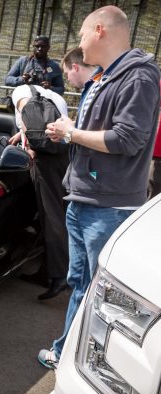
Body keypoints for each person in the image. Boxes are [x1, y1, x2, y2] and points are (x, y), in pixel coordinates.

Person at [39, 6, 161, 370]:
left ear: (99, 30)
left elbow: (128, 139)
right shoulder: (108, 77)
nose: (78, 42)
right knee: (83, 284)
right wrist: (70, 131)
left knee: (101, 294)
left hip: (107, 206)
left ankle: (90, 368)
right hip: (86, 199)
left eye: (80, 35)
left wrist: (71, 133)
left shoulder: (138, 77)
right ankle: (68, 355)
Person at [9, 84, 70, 300]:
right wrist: (20, 134)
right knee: (60, 214)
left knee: (51, 217)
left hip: (45, 161)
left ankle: (60, 275)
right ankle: (48, 271)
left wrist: (28, 144)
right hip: (63, 157)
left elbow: (31, 121)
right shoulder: (54, 97)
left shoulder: (20, 93)